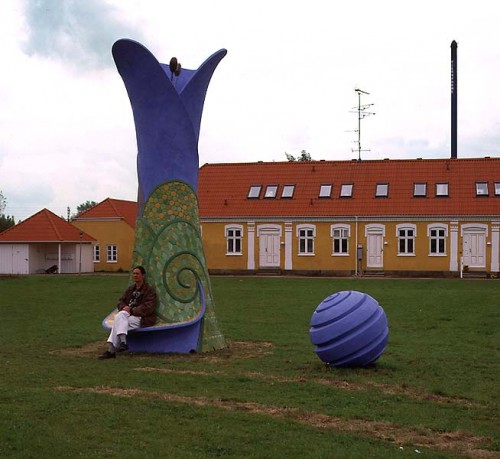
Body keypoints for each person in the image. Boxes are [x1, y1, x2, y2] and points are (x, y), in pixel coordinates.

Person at [99, 265, 157, 359]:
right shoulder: (130, 289)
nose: (135, 275)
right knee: (120, 317)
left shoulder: (149, 291)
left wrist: (132, 310)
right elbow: (120, 301)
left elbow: (148, 307)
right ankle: (123, 342)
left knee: (118, 321)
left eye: (137, 274)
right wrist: (124, 307)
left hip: (142, 318)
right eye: (134, 274)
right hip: (127, 316)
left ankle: (111, 351)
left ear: (143, 276)